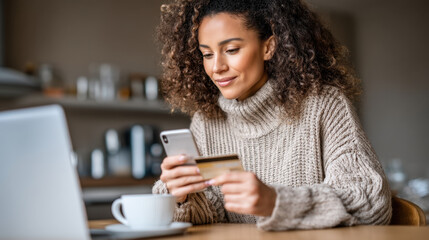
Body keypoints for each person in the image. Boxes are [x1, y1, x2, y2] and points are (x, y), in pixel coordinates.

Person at [152, 0, 392, 231]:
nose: (216, 67)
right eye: (207, 54)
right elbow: (213, 210)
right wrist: (181, 196)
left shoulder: (323, 105)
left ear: (268, 47)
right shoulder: (206, 122)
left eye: (231, 49)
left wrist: (277, 202)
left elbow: (372, 202)